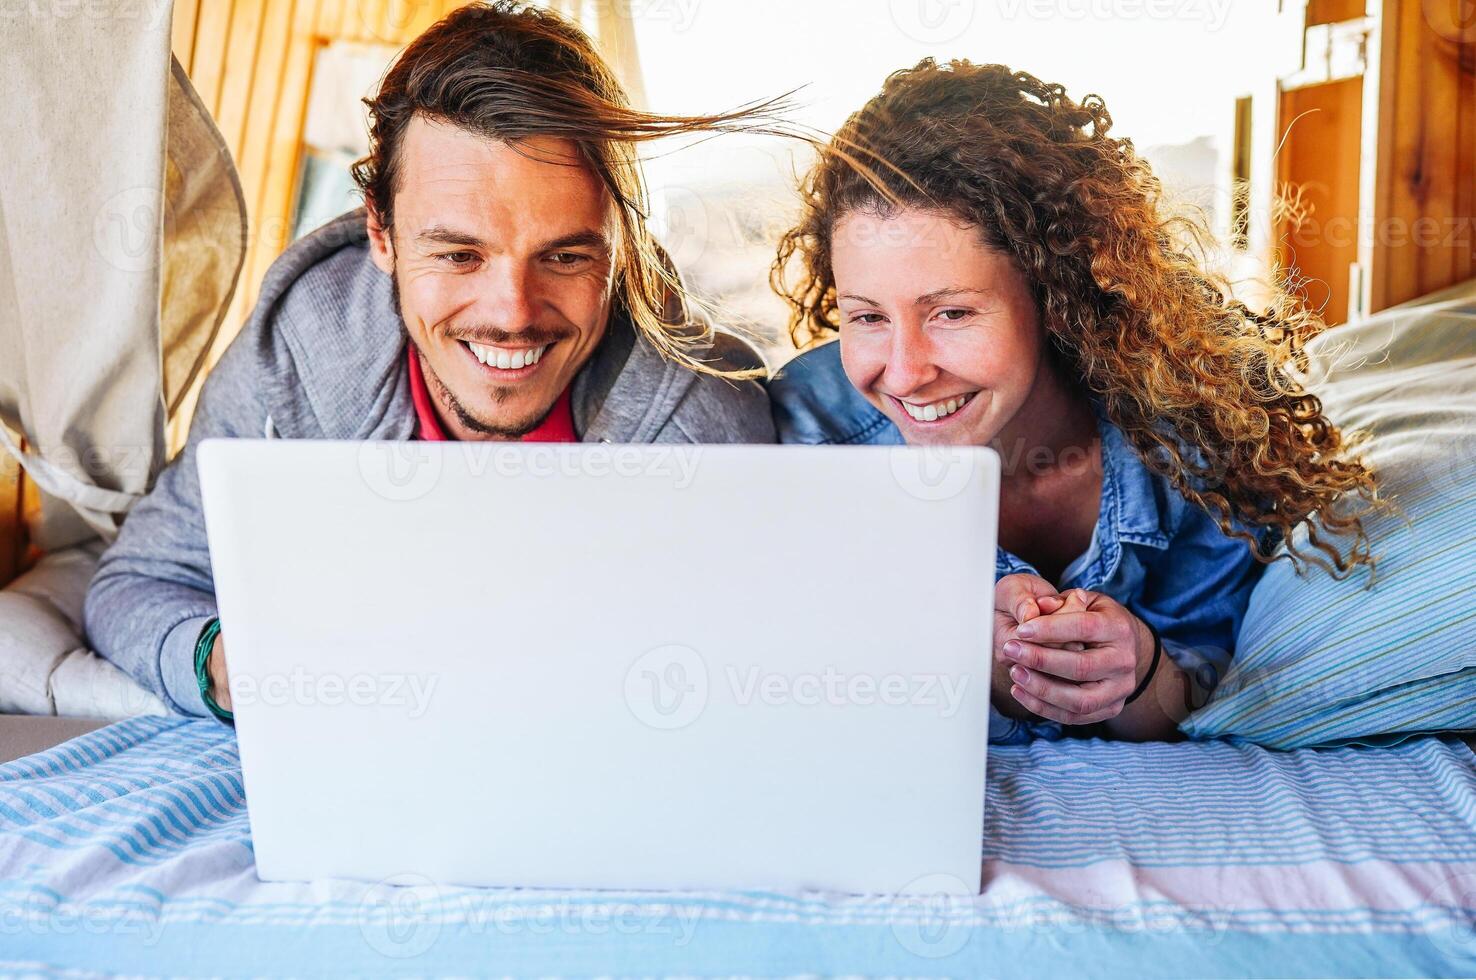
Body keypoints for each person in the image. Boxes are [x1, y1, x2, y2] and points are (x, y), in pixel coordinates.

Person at [84, 1, 776, 720]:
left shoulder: (705, 418)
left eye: (565, 255)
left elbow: (754, 671)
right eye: (458, 254)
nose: (511, 312)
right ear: (379, 233)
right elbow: (138, 581)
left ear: (620, 247)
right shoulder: (296, 353)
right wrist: (223, 665)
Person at [767, 60, 1379, 742]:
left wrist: (1141, 672)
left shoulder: (1199, 445)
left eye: (952, 314)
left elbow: (1189, 700)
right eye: (868, 318)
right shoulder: (805, 439)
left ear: (1056, 295)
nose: (906, 374)